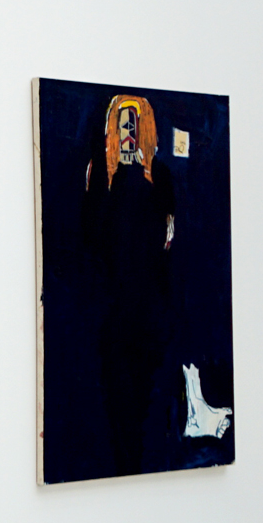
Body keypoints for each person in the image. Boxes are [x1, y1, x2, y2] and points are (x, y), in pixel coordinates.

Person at [81, 94, 175, 477]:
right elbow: (91, 235)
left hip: (149, 308)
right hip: (113, 307)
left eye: (135, 125)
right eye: (122, 124)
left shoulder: (160, 176)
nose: (128, 134)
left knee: (146, 397)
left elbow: (168, 238)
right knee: (116, 399)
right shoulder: (101, 174)